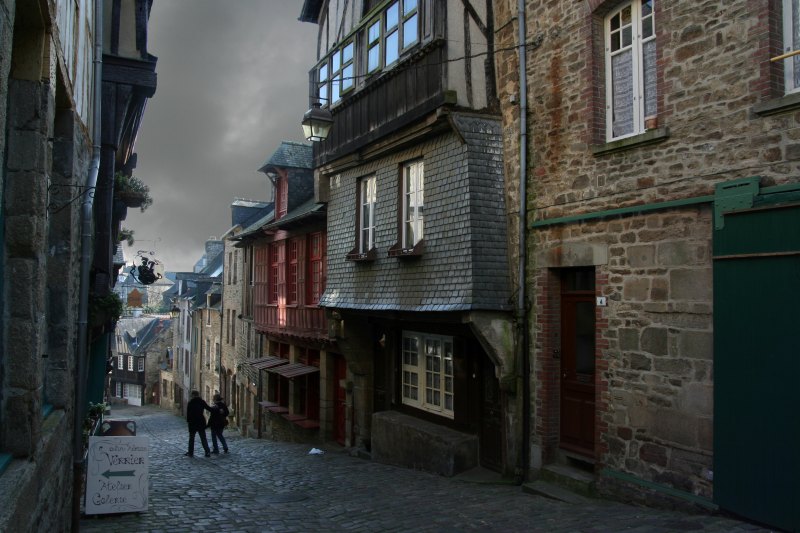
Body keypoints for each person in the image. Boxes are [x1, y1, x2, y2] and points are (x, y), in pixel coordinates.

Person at [185, 390, 213, 457]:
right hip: (200, 421)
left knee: (191, 438)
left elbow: (188, 414)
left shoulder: (190, 402)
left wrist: (188, 422)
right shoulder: (201, 401)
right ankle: (207, 452)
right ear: (198, 395)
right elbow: (209, 409)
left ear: (193, 395)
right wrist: (216, 409)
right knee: (203, 438)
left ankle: (190, 452)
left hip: (192, 422)